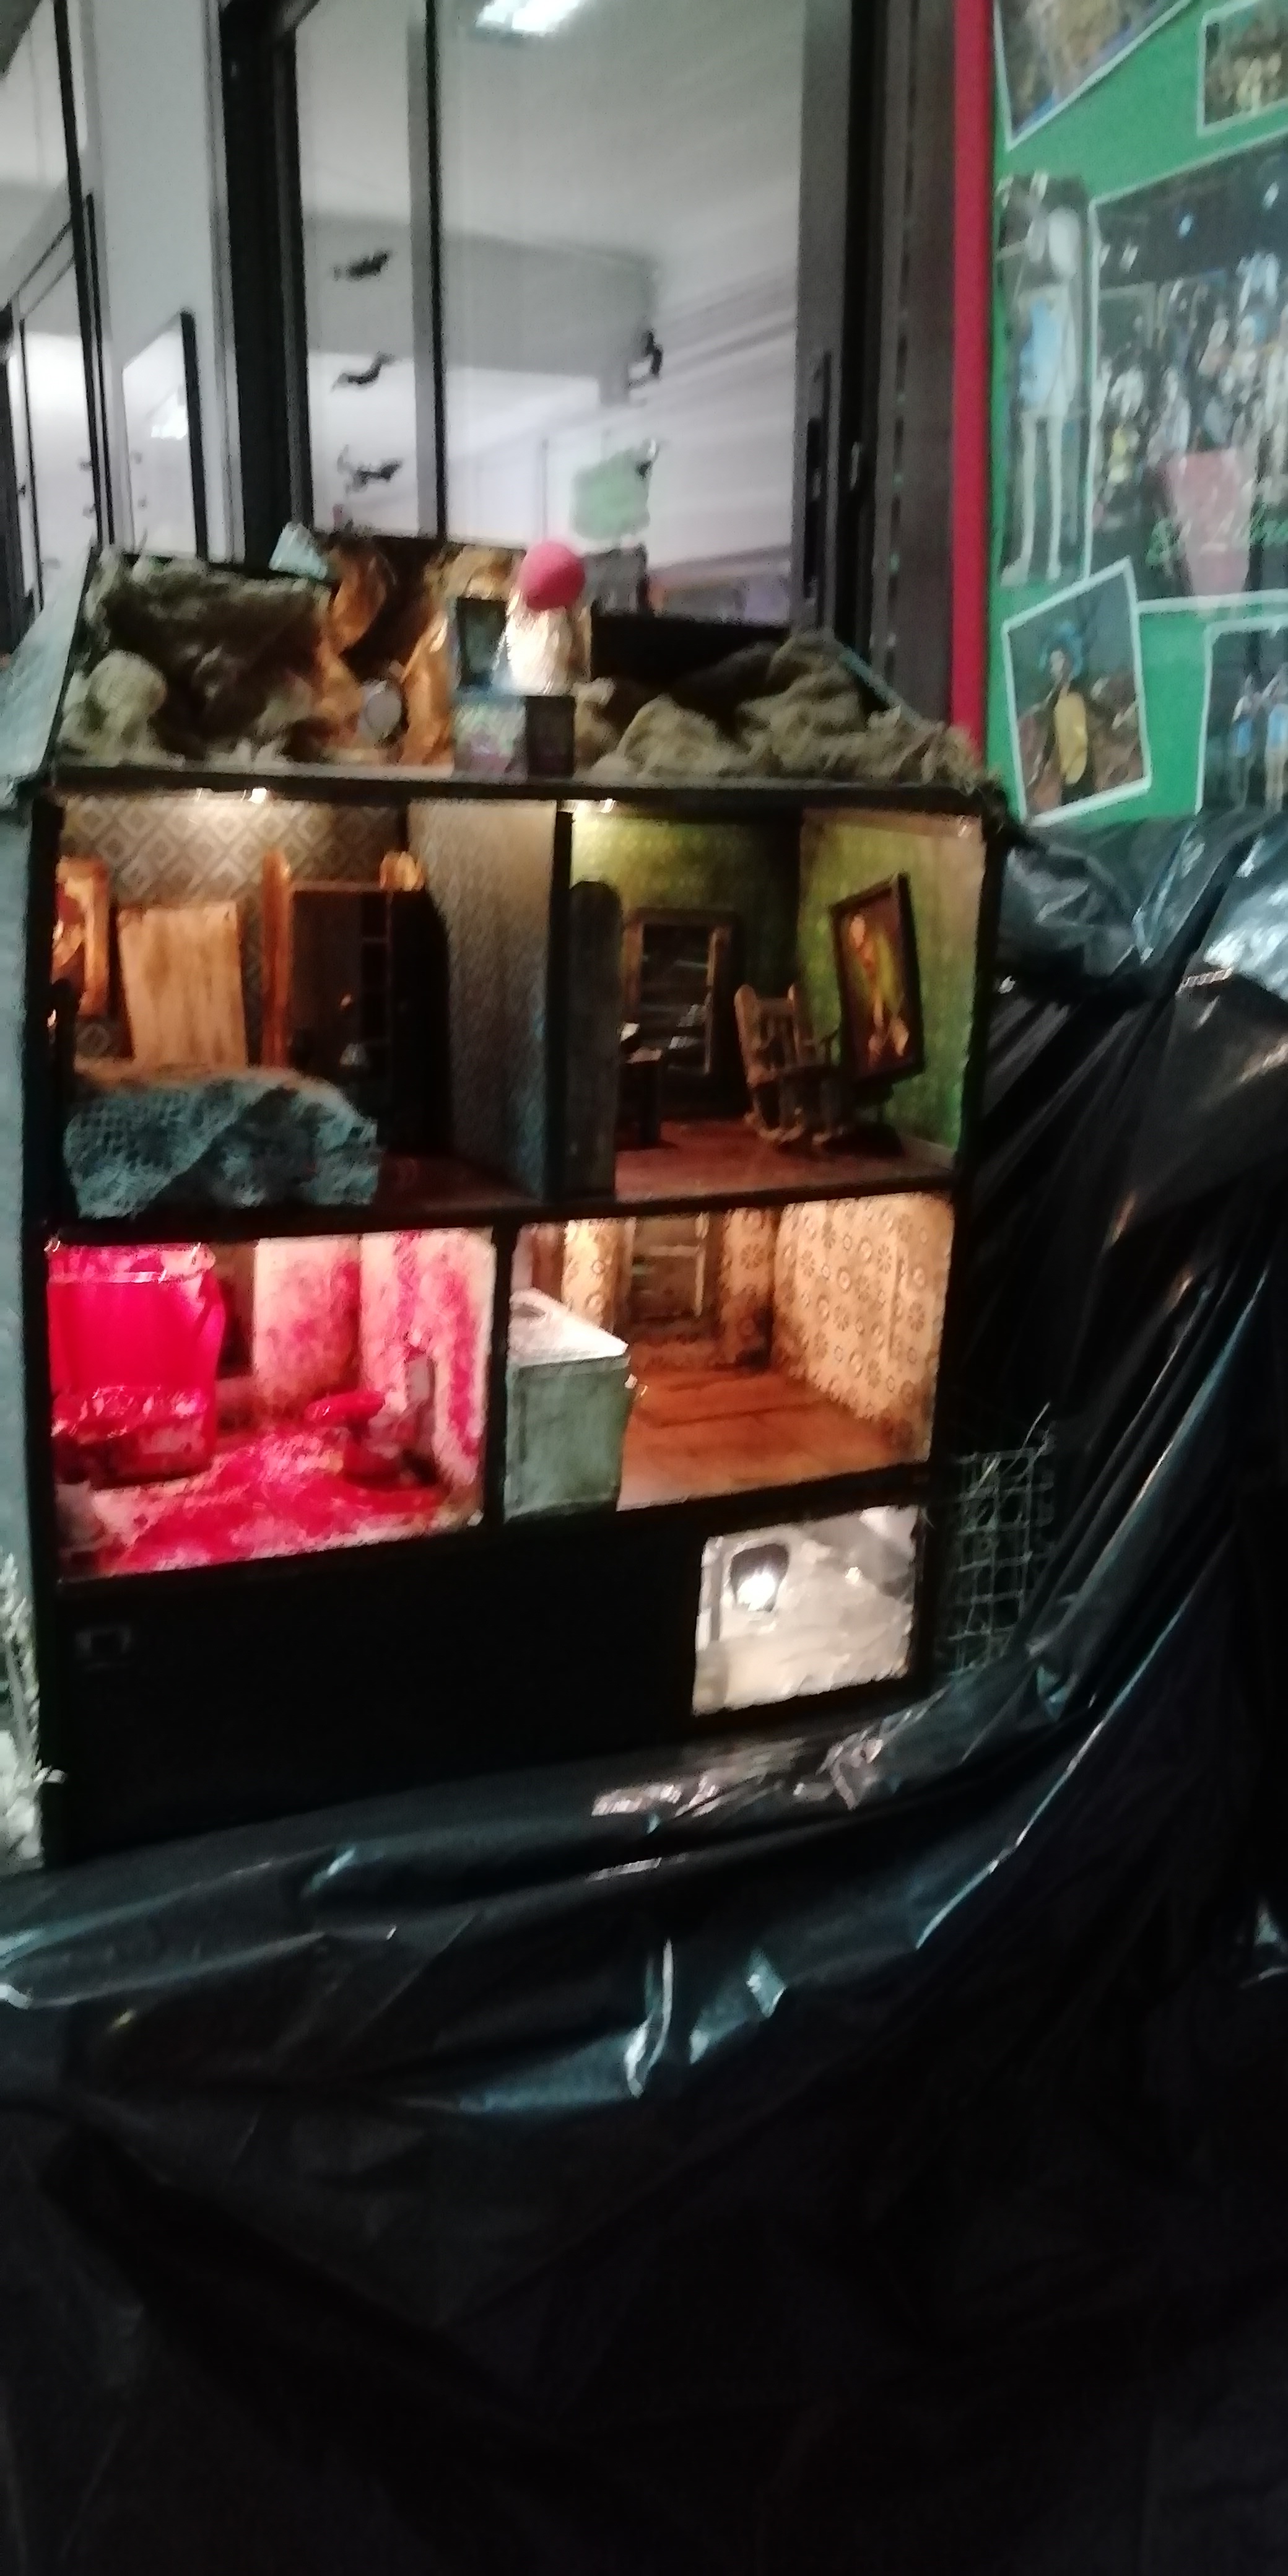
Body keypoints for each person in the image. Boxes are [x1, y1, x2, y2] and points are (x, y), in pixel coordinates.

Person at [1029, 627, 1096, 807]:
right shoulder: (1054, 702)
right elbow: (1051, 737)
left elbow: (1097, 707)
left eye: (1060, 660)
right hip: (1068, 775)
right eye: (1053, 663)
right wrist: (1041, 763)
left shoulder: (1080, 690)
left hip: (1085, 768)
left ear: (1070, 661)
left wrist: (1115, 717)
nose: (1057, 667)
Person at [1229, 678, 1261, 806]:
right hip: (1238, 749)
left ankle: (1242, 801)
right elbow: (1233, 727)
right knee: (1236, 777)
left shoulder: (1252, 719)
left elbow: (1255, 735)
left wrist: (1253, 750)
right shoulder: (1239, 719)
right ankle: (1236, 800)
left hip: (1247, 750)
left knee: (1245, 777)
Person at [1266, 666, 1288, 809]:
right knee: (1270, 777)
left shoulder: (1285, 709)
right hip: (1271, 745)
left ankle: (1277, 805)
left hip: (1281, 746)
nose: (1276, 693)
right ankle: (1270, 805)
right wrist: (1276, 679)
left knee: (1278, 778)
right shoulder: (1272, 709)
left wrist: (1281, 678)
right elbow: (1265, 696)